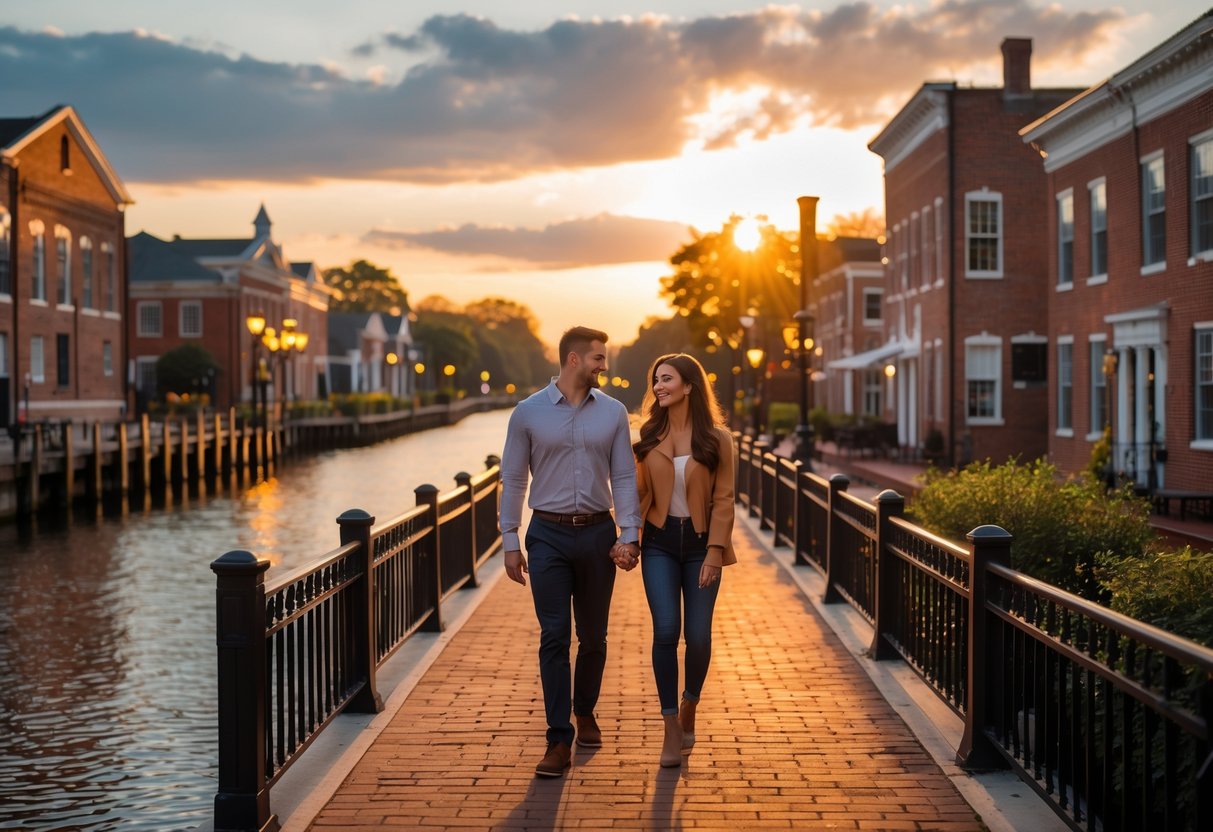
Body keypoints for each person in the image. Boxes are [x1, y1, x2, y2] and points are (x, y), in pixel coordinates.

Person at [498, 325, 642, 778]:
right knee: (555, 635)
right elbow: (514, 479)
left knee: (594, 637)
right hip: (548, 536)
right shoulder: (527, 413)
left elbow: (623, 476)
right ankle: (558, 738)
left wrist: (629, 532)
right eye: (599, 358)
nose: (605, 365)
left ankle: (585, 710)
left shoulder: (615, 413)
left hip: (599, 535)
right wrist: (509, 540)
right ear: (574, 360)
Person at [632, 353, 736, 767]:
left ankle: (690, 702)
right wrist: (626, 537)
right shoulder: (648, 434)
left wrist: (714, 551)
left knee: (699, 636)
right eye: (656, 379)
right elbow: (638, 493)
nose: (659, 386)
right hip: (658, 543)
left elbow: (725, 499)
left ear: (689, 386)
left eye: (667, 379)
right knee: (665, 631)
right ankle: (671, 725)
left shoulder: (718, 440)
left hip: (698, 546)